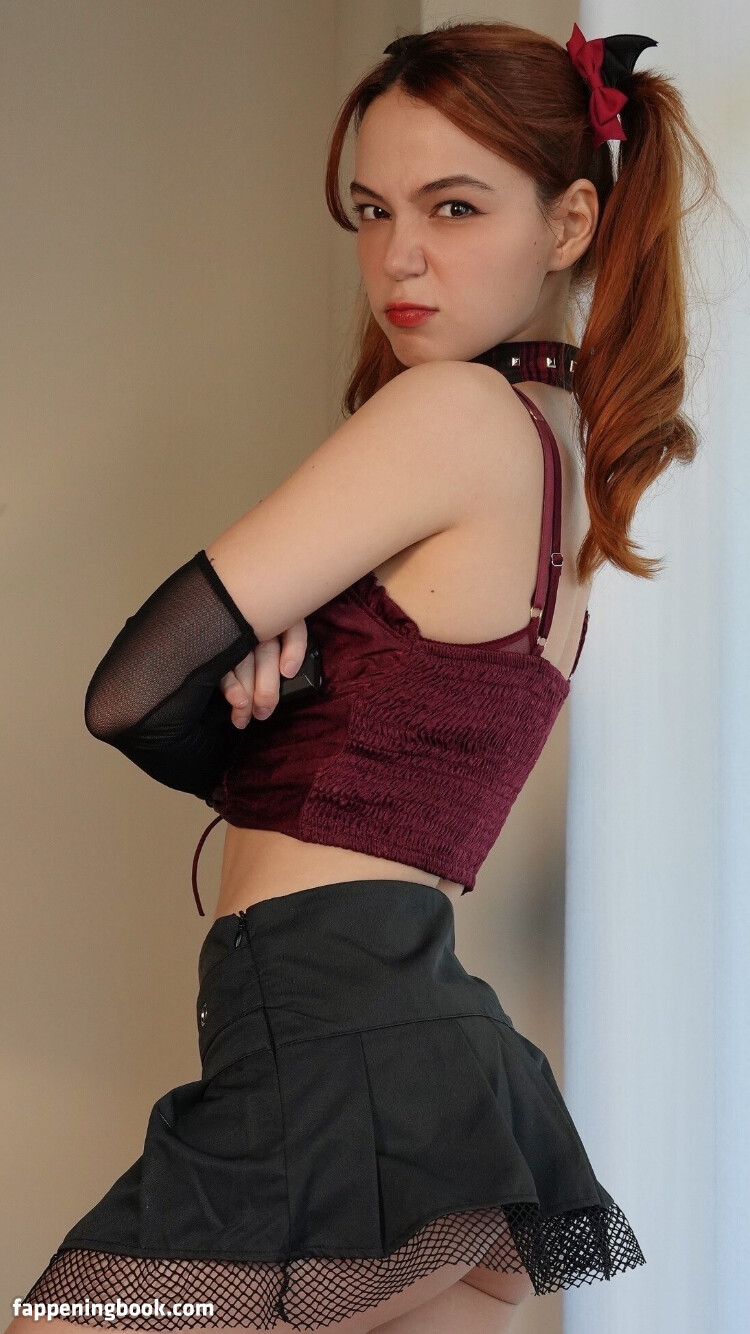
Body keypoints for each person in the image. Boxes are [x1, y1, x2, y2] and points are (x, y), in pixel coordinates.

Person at [11, 17, 721, 1334]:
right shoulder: (562, 453)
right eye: (373, 209)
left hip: (327, 1044)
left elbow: (128, 692)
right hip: (435, 1064)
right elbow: (386, 749)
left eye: (453, 207)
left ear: (569, 222)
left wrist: (248, 683)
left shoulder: (448, 412)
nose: (398, 255)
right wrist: (287, 671)